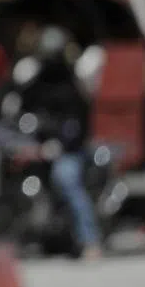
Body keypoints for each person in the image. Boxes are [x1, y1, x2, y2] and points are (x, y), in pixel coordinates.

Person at [19, 26, 104, 260]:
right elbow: (21, 109)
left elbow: (78, 125)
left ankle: (90, 240)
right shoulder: (35, 83)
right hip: (37, 148)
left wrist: (59, 145)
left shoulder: (71, 86)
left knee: (65, 178)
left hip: (69, 150)